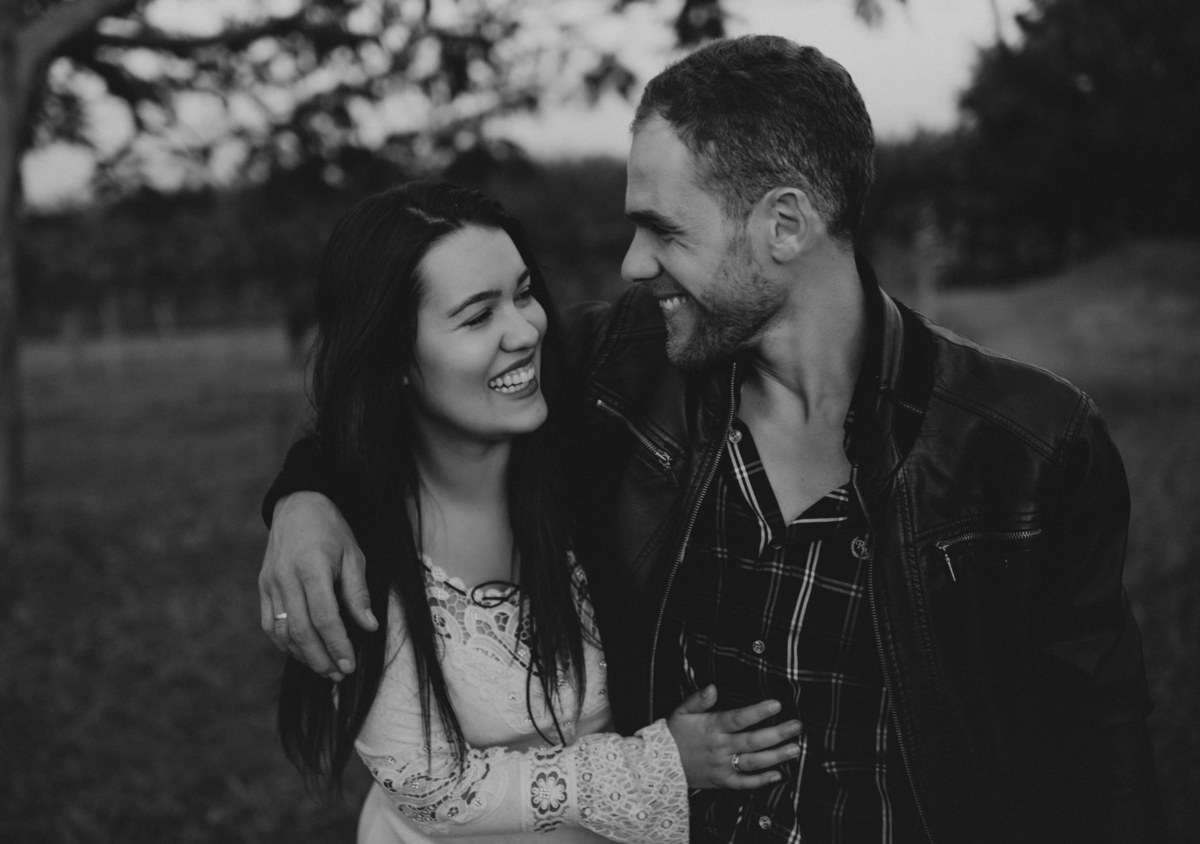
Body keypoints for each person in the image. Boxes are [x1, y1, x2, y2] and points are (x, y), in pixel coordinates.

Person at [261, 37, 1161, 843]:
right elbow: (408, 389)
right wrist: (306, 499)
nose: (632, 264)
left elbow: (1100, 753)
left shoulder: (1027, 448)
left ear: (784, 225)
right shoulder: (621, 366)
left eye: (663, 229)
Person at [270, 180, 804, 843]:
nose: (525, 331)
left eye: (523, 293)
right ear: (393, 358)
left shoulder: (599, 450)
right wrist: (662, 764)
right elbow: (433, 791)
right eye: (476, 317)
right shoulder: (360, 545)